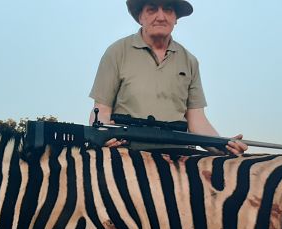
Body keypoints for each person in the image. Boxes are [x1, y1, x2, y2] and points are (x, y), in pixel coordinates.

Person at [88, 0, 248, 155]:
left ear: (175, 18)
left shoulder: (189, 61)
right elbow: (101, 110)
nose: (161, 17)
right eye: (152, 9)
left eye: (168, 9)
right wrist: (103, 136)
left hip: (178, 160)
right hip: (127, 156)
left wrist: (222, 145)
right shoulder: (116, 52)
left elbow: (197, 120)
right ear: (140, 17)